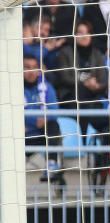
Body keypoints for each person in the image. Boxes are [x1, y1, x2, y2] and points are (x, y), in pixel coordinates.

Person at [22, 53, 63, 185]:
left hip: (43, 135)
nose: (31, 72)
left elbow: (54, 110)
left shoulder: (47, 87)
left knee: (53, 125)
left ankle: (51, 165)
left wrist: (44, 118)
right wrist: (35, 121)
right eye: (27, 67)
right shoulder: (13, 88)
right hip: (22, 138)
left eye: (34, 67)